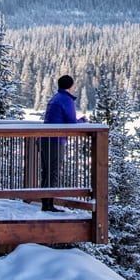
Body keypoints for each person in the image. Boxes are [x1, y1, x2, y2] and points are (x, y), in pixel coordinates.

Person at [40, 74, 87, 212]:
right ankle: (48, 205)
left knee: (47, 172)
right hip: (55, 140)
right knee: (53, 171)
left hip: (44, 138)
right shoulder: (66, 100)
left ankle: (46, 203)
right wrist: (83, 120)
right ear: (71, 86)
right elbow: (72, 122)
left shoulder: (55, 98)